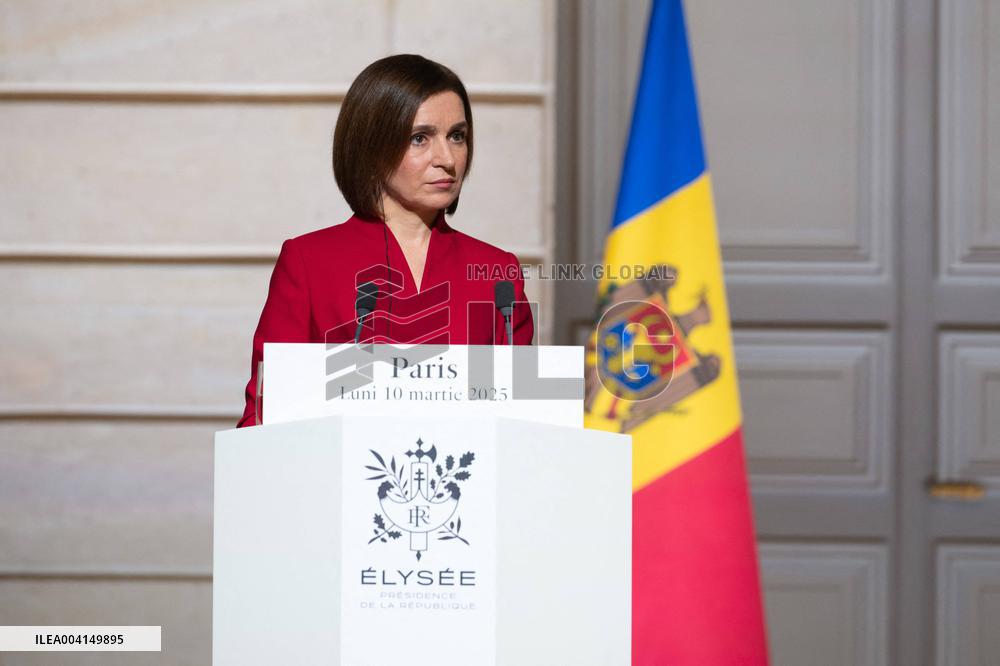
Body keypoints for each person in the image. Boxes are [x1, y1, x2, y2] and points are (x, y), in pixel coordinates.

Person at [237, 54, 534, 428]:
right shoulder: (309, 262)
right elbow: (265, 413)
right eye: (420, 138)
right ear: (372, 147)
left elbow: (523, 419)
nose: (446, 158)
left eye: (457, 136)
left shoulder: (497, 270)